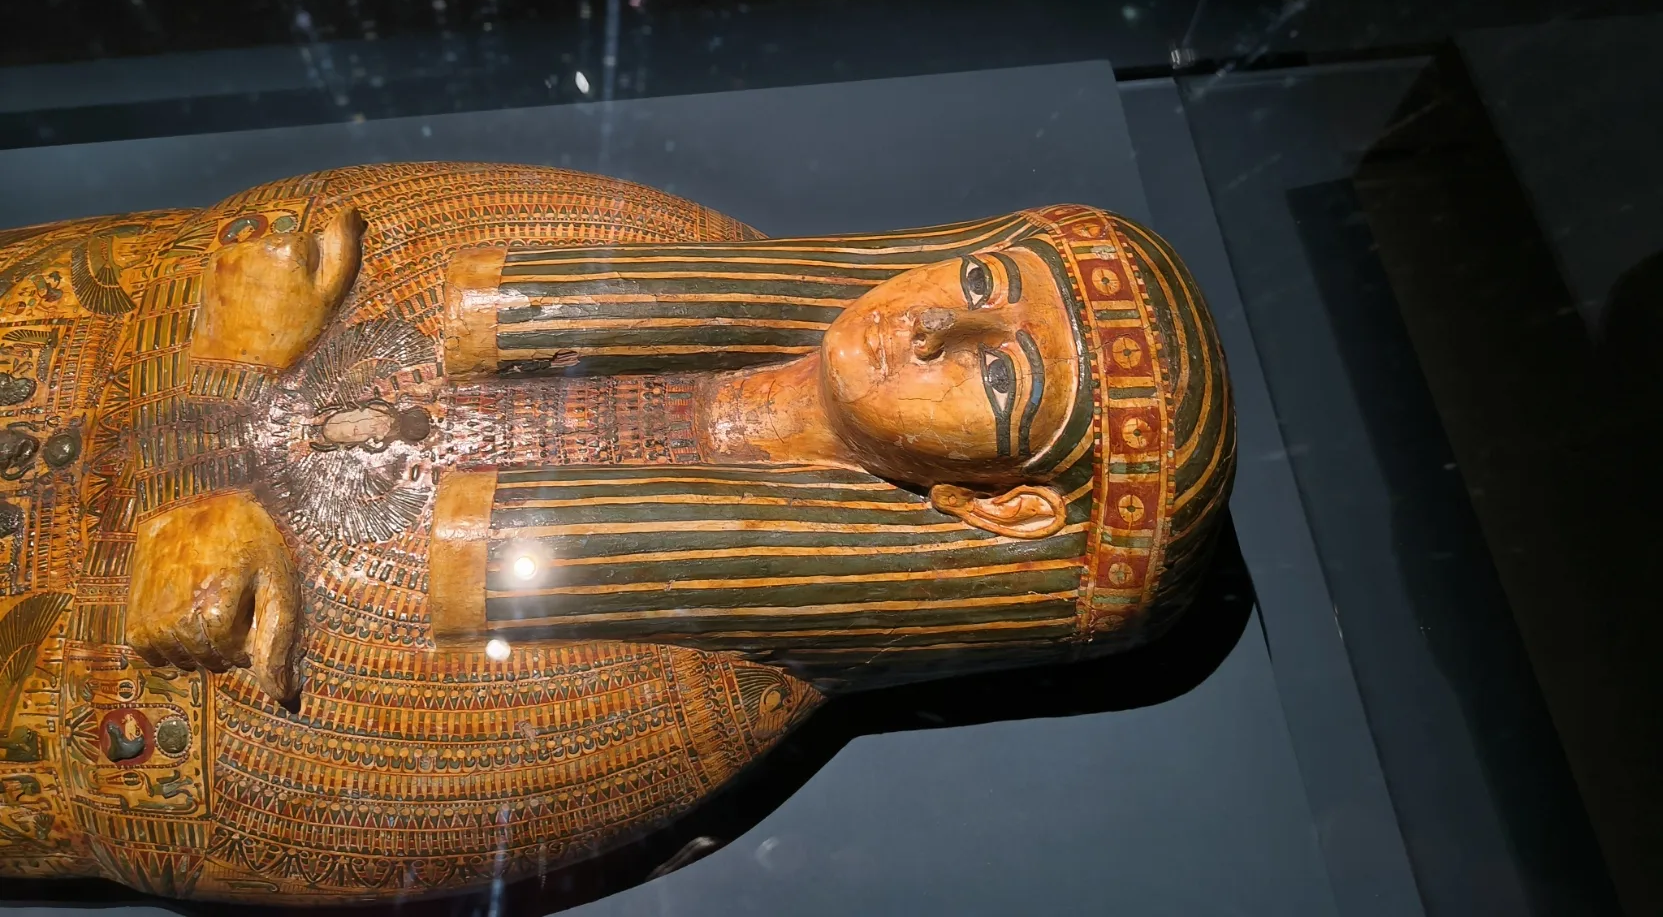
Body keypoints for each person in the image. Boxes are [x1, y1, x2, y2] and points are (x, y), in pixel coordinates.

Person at [0, 162, 1233, 901]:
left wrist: (185, 624)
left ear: (1008, 506)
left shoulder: (703, 695)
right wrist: (226, 343)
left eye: (1000, 377)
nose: (934, 330)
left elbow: (217, 812)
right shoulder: (667, 240)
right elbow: (268, 234)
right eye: (982, 285)